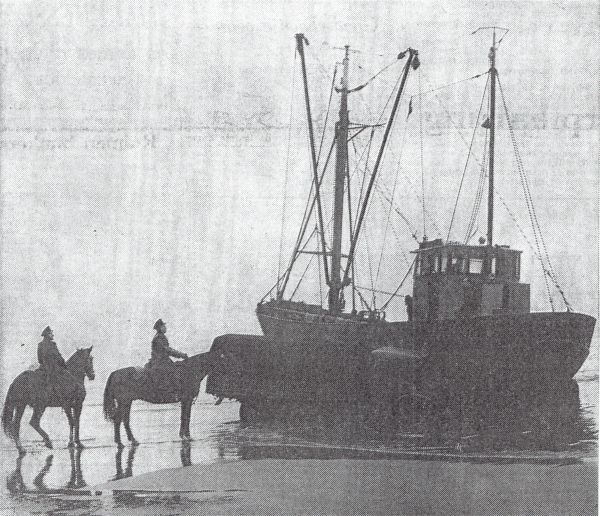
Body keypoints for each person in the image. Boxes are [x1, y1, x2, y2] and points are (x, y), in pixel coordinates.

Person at [145, 319, 188, 399]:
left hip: (161, 360)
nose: (165, 328)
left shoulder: (160, 336)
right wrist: (182, 355)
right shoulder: (159, 337)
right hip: (160, 362)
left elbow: (168, 349)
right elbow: (168, 350)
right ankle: (171, 394)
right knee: (174, 372)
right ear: (160, 328)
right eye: (164, 326)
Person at [37, 326, 74, 401]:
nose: (53, 335)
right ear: (47, 334)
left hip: (43, 368)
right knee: (66, 379)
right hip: (53, 369)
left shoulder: (40, 345)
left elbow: (39, 360)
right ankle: (62, 398)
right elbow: (58, 357)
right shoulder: (52, 344)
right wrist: (64, 365)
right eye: (51, 333)